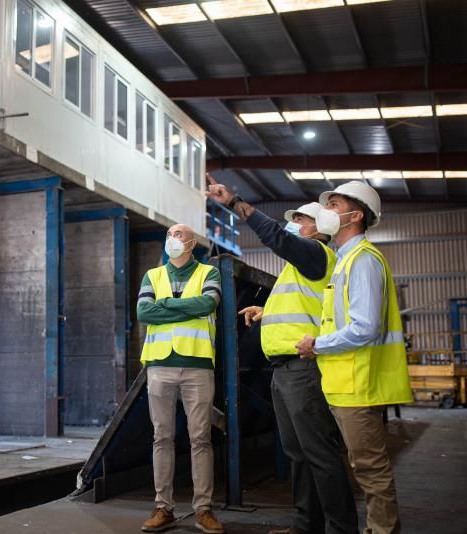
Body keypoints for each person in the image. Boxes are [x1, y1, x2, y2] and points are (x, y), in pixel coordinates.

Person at [206, 178, 358, 534]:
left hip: (303, 369)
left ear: (319, 228)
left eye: (302, 220)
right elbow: (303, 306)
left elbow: (276, 237)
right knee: (298, 454)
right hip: (284, 371)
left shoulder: (316, 253)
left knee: (318, 453)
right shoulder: (300, 267)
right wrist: (265, 310)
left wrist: (234, 203)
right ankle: (307, 524)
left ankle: (341, 528)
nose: (295, 224)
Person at [295, 181, 413, 534]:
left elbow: (365, 328)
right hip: (345, 382)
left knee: (370, 469)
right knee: (363, 466)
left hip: (358, 382)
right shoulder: (345, 262)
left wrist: (317, 344)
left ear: (355, 214)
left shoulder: (362, 261)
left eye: (333, 204)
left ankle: (382, 530)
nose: (325, 211)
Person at [137, 223, 225, 534]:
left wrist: (166, 305)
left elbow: (208, 303)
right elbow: (144, 313)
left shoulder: (208, 274)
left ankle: (203, 510)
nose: (172, 239)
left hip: (198, 365)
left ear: (191, 244)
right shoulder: (153, 275)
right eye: (169, 235)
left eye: (179, 235)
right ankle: (164, 508)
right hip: (160, 365)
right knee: (162, 438)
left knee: (200, 438)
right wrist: (184, 309)